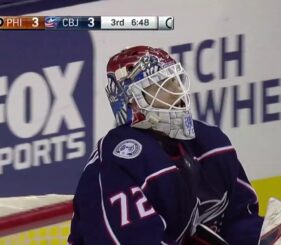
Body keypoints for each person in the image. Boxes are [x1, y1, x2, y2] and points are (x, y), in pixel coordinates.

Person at [68, 46, 263, 244]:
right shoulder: (116, 164)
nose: (177, 91)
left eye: (174, 80)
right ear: (132, 102)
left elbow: (241, 221)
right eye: (161, 84)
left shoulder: (211, 144)